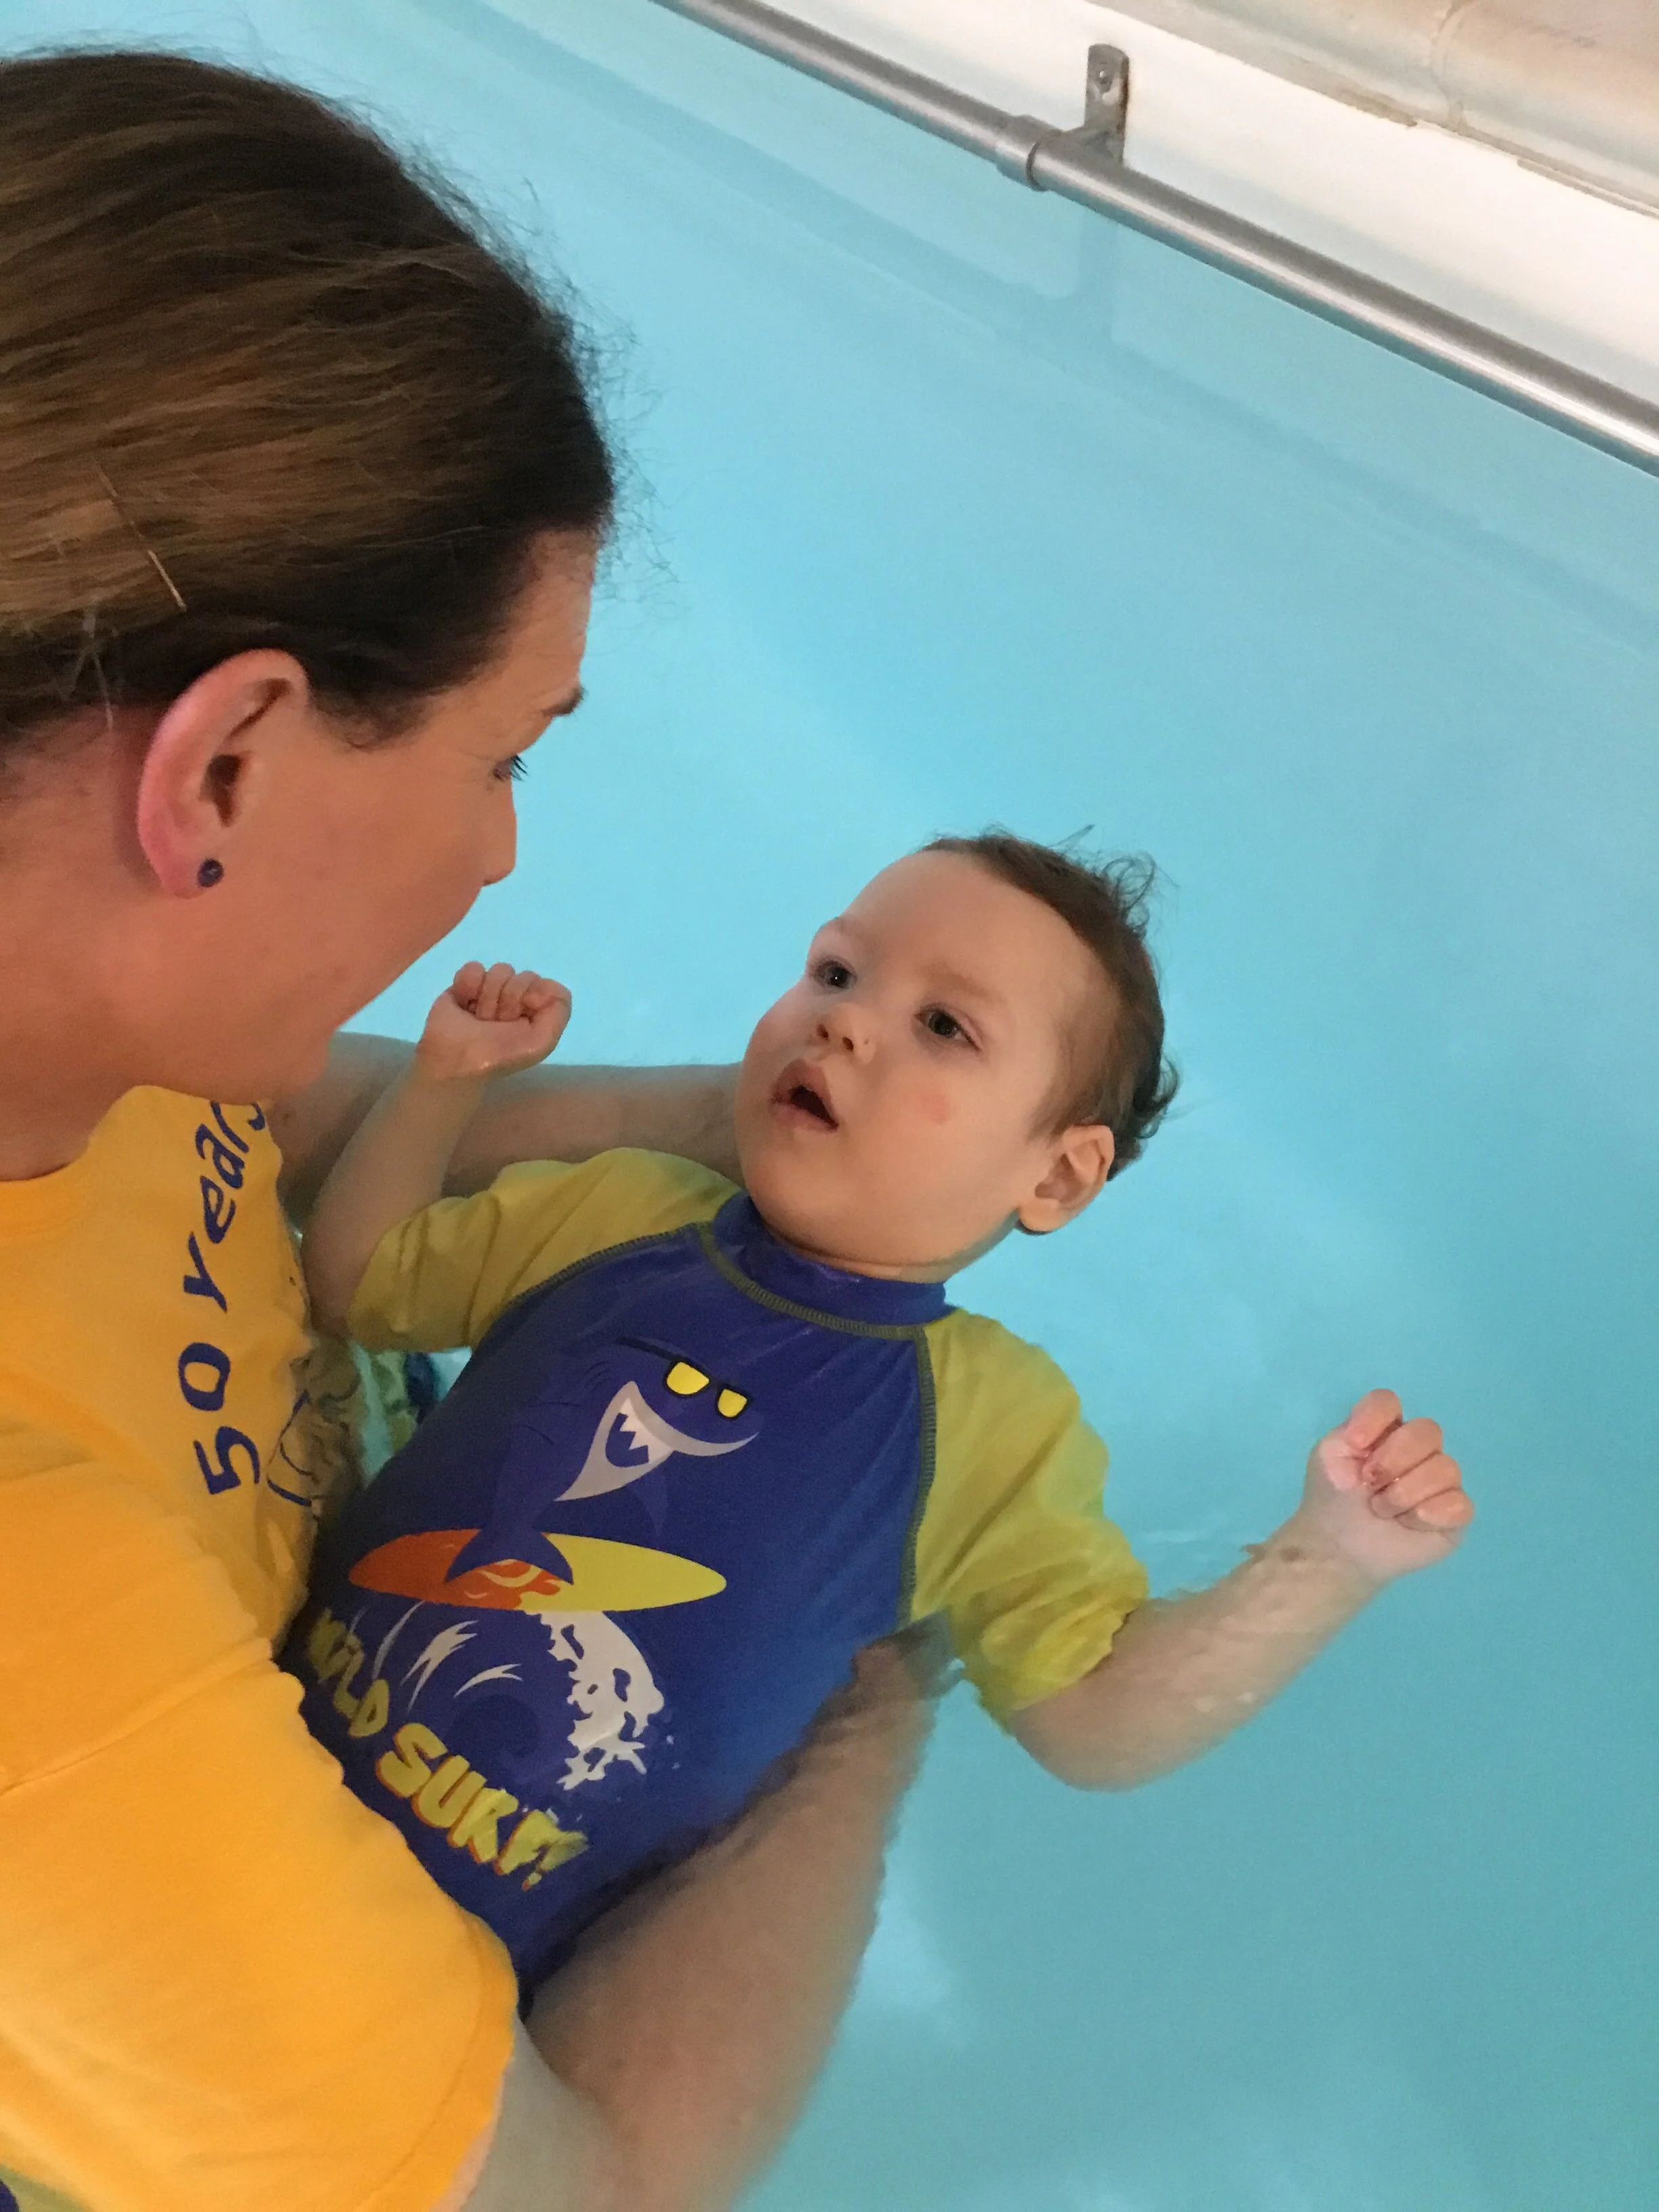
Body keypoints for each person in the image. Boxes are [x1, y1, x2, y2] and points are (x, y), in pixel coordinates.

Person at [0, 49, 933, 2212]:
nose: (503, 856)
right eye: (511, 757)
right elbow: (586, 2194)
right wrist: (873, 1696)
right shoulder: (43, 1665)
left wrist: (739, 1125)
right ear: (220, 773)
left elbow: (256, 1143)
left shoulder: (74, 1014)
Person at [289, 833, 1475, 1982]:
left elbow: (1095, 1723)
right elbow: (359, 1280)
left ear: (1057, 1175)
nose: (842, 1019)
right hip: (262, 1745)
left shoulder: (992, 1426)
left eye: (944, 1026)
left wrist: (1328, 1560)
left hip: (475, 1953)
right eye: (837, 970)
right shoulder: (607, 1214)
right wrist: (442, 1089)